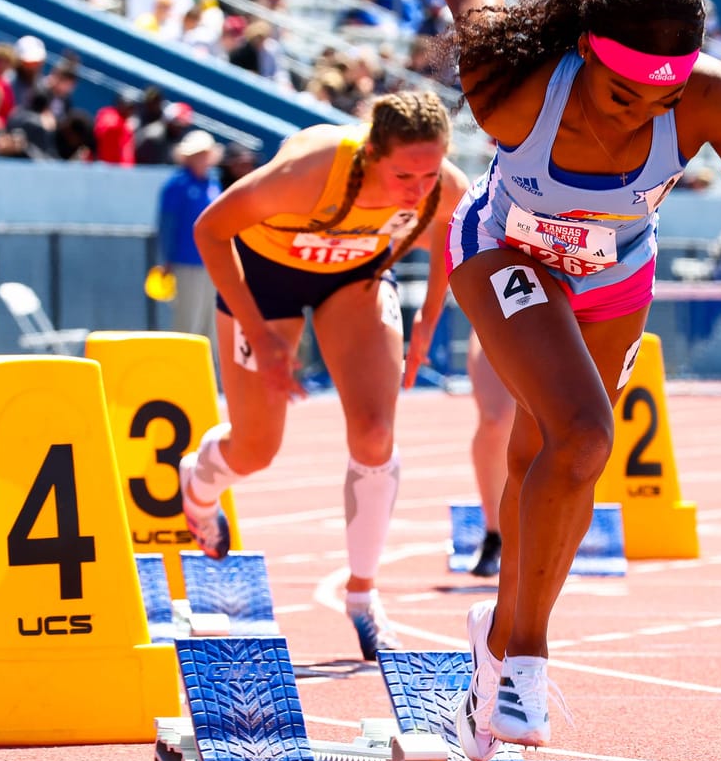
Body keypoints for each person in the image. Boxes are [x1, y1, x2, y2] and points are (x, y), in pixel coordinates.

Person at [408, 0, 721, 750]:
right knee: (587, 434)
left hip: (612, 282)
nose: (637, 112)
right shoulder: (512, 80)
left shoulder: (711, 98)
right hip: (504, 255)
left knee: (550, 458)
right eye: (619, 93)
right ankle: (526, 658)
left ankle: (490, 658)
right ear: (586, 55)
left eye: (658, 101)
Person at [178, 91, 470, 658]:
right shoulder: (309, 171)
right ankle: (199, 483)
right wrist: (259, 333)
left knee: (375, 432)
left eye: (428, 174)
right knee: (257, 448)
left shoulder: (443, 182)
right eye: (404, 175)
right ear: (370, 155)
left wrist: (429, 319)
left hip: (354, 279)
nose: (417, 189)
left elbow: (451, 232)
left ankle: (362, 596)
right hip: (265, 280)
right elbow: (210, 230)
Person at [157, 128, 224, 346]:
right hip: (186, 261)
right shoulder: (176, 185)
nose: (203, 159)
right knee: (188, 322)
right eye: (198, 154)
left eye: (206, 154)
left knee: (210, 325)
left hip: (213, 262)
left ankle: (209, 377)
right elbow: (167, 224)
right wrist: (166, 259)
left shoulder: (213, 183)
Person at [464, 332, 512, 578]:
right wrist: (429, 317)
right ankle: (495, 535)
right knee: (495, 419)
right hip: (502, 305)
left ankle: (555, 531)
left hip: (571, 309)